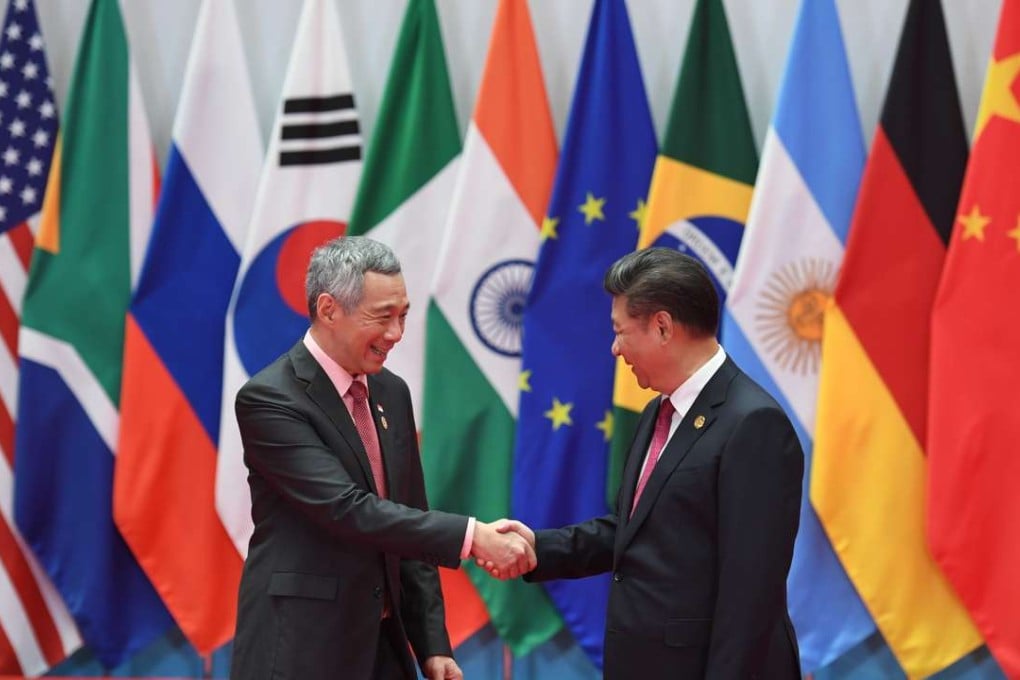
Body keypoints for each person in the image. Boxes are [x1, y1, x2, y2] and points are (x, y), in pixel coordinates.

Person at [230, 236, 534, 680]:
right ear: (329, 309)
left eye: (403, 315)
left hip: (384, 649)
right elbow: (348, 510)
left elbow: (408, 516)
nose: (396, 333)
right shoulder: (271, 399)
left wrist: (431, 644)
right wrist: (472, 537)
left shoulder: (391, 391)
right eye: (382, 317)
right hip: (302, 648)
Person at [491, 248, 804, 679]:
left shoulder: (753, 423)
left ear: (662, 327)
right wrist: (536, 548)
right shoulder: (659, 412)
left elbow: (750, 593)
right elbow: (633, 529)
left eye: (620, 331)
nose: (615, 348)